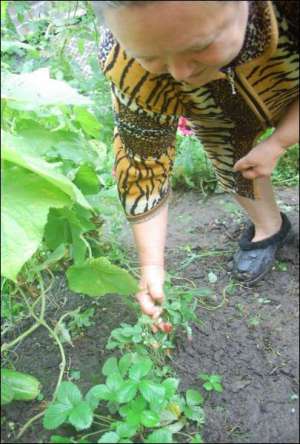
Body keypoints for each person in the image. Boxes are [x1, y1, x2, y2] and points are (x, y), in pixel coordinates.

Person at [92, 1, 299, 330]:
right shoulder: (126, 64)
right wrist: (152, 267)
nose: (179, 73)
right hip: (217, 116)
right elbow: (142, 163)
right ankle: (270, 228)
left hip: (291, 82)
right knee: (238, 169)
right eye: (151, 57)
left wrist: (279, 143)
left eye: (200, 46)